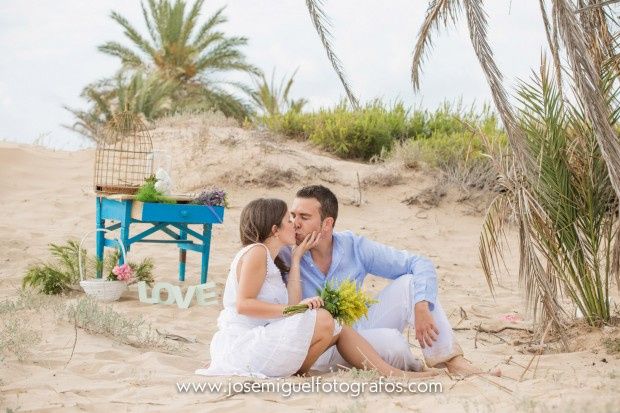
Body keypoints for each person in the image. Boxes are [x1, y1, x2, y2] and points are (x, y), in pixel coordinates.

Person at [196, 198, 439, 379]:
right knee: (326, 320)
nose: (295, 225)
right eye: (289, 220)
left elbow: (292, 301)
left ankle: (304, 371)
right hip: (246, 344)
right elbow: (244, 304)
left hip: (263, 341)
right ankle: (396, 375)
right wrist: (295, 311)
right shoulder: (257, 252)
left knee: (331, 324)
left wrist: (297, 259)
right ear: (274, 230)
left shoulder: (273, 258)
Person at [279, 185, 500, 377]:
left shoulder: (353, 247)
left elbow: (419, 263)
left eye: (304, 217)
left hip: (358, 333)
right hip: (319, 347)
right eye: (292, 216)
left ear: (327, 224)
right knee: (395, 345)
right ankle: (411, 368)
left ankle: (453, 361)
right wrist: (296, 259)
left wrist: (421, 305)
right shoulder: (285, 253)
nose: (294, 223)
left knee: (410, 284)